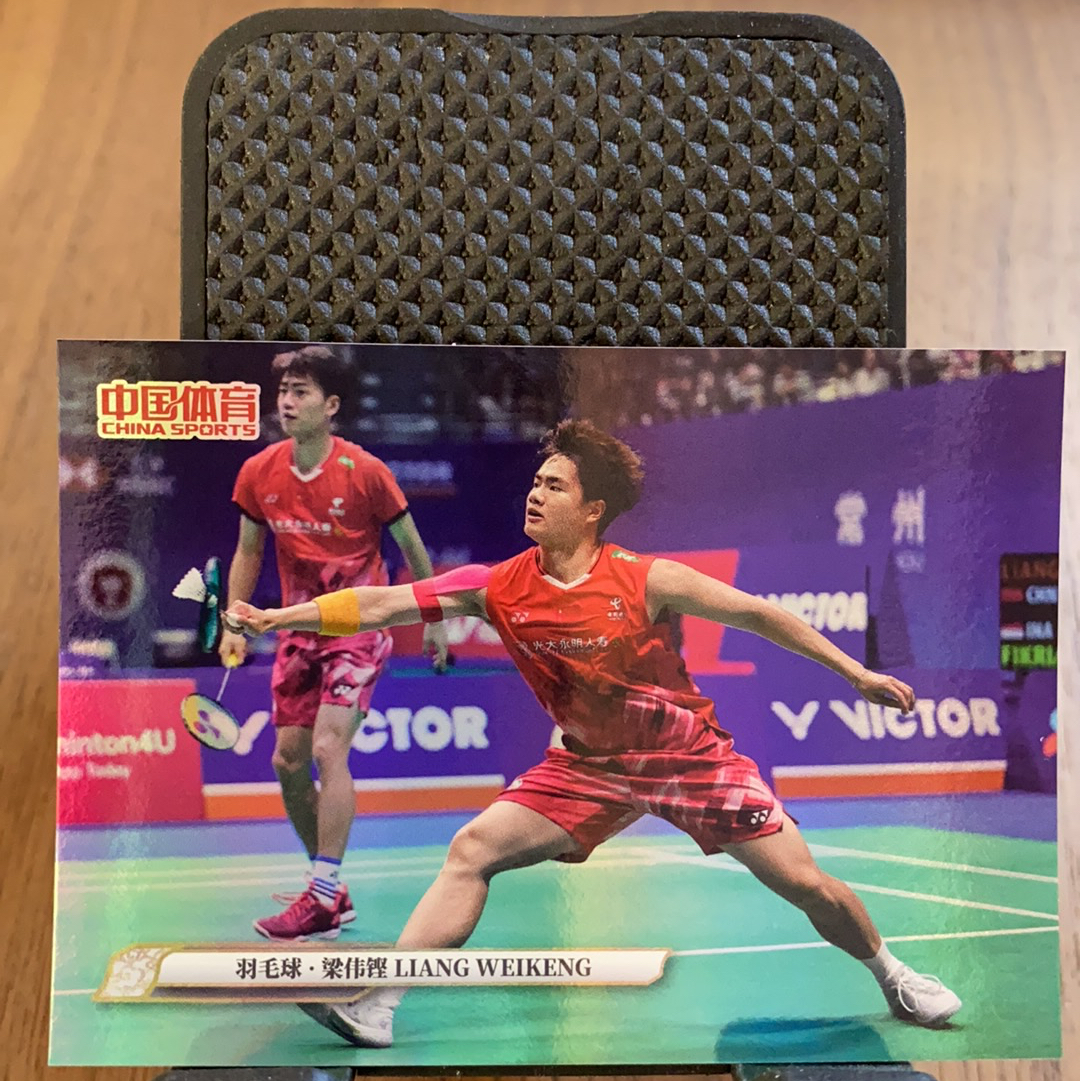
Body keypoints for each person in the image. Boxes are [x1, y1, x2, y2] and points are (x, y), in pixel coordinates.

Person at [226, 419, 962, 1046]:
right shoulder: (496, 584)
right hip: (587, 767)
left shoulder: (645, 578)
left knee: (803, 883)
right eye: (536, 481)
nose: (535, 493)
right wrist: (275, 618)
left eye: (554, 486)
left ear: (591, 510)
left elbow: (757, 614)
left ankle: (893, 974)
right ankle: (379, 1004)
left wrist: (855, 673)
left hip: (686, 758)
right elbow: (382, 604)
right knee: (472, 850)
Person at [220, 345, 448, 942]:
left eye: (301, 392)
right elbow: (248, 550)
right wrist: (233, 622)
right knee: (287, 762)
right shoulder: (259, 471)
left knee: (327, 747)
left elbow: (413, 549)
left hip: (357, 626)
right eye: (283, 391)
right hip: (297, 628)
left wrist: (434, 618)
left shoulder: (365, 471)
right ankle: (329, 893)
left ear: (332, 405)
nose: (287, 402)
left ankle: (321, 894)